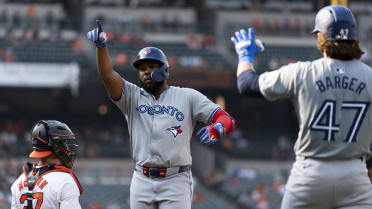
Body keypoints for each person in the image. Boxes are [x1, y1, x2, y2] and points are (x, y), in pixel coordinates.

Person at [231, 5, 372, 209]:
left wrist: (245, 56)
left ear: (321, 38)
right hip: (354, 175)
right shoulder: (370, 76)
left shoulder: (302, 72)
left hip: (310, 173)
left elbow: (247, 84)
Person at [86, 20, 236, 209]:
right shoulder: (132, 96)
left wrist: (218, 127)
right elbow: (108, 75)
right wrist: (102, 47)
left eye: (152, 66)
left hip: (176, 179)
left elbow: (226, 118)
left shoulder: (186, 96)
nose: (146, 72)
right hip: (142, 178)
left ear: (164, 69)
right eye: (142, 68)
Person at [11, 120, 82, 209]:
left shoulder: (18, 181)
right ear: (56, 145)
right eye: (64, 143)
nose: (67, 147)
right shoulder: (65, 181)